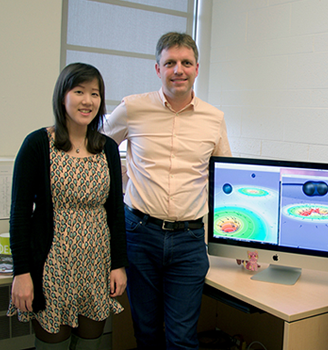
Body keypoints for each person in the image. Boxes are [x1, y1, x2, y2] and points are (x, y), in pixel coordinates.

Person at [104, 32, 231, 349]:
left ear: (197, 68)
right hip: (139, 233)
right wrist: (124, 178)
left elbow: (224, 179)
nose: (179, 70)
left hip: (188, 241)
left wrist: (239, 244)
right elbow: (97, 151)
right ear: (157, 68)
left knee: (182, 336)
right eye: (170, 63)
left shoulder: (214, 119)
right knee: (146, 330)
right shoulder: (132, 108)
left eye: (186, 63)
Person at [8, 63, 128, 350]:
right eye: (79, 91)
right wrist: (21, 272)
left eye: (95, 93)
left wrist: (118, 264)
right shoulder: (37, 144)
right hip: (52, 268)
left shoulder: (107, 148)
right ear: (62, 96)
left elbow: (115, 213)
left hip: (96, 267)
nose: (88, 100)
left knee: (90, 345)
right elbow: (20, 215)